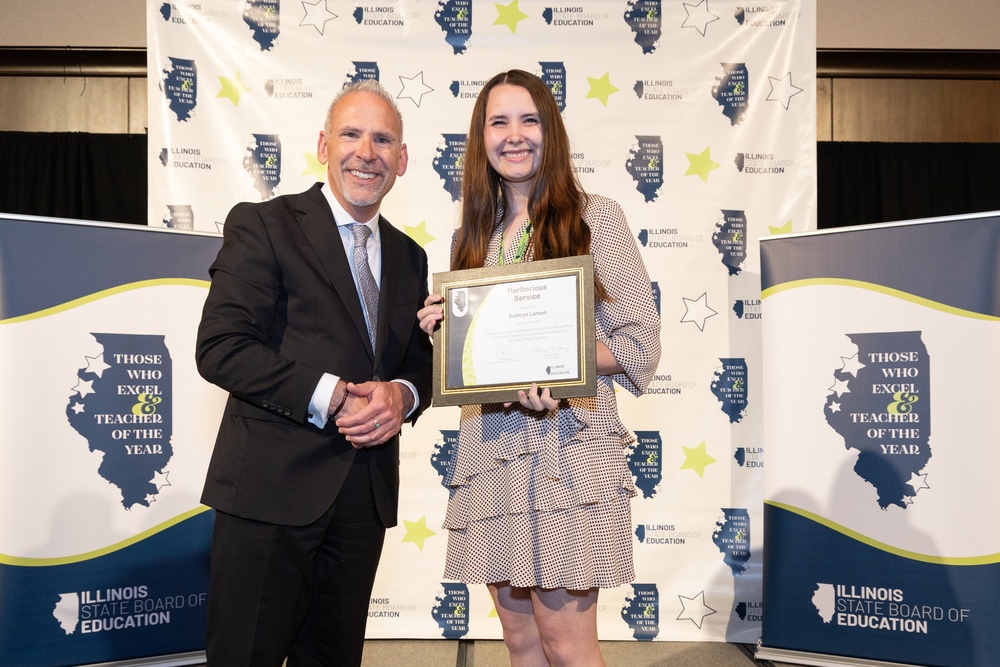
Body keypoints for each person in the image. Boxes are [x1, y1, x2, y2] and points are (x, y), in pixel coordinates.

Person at [417, 70, 661, 666]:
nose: (514, 135)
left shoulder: (594, 217)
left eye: (529, 120)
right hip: (492, 455)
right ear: (481, 138)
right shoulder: (468, 239)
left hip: (568, 456)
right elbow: (478, 359)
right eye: (498, 122)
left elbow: (640, 343)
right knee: (521, 645)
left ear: (550, 131)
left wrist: (560, 369)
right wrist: (443, 330)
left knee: (566, 647)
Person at [196, 79, 432, 667]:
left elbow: (415, 361)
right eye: (352, 134)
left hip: (362, 500)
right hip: (267, 495)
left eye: (383, 139)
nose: (366, 152)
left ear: (401, 160)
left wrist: (403, 395)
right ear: (324, 144)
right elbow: (221, 346)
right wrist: (331, 396)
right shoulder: (264, 224)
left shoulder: (410, 256)